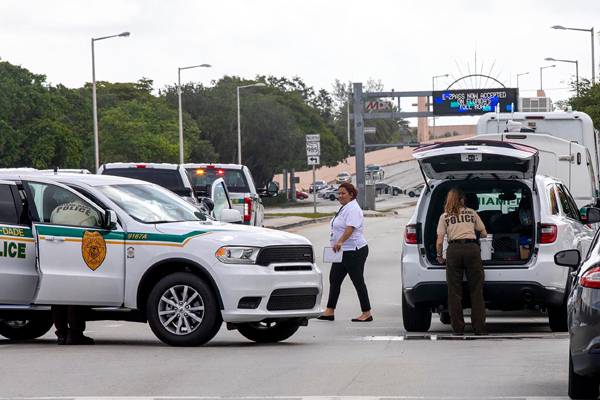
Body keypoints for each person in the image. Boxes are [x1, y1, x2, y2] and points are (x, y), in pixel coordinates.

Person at [48, 188, 99, 345]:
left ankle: (61, 334)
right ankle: (75, 333)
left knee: (58, 295)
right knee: (75, 295)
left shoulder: (57, 210)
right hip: (77, 253)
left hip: (55, 253)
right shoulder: (93, 212)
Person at [436, 188, 488, 336]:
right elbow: (484, 233)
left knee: (454, 291)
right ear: (463, 200)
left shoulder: (444, 216)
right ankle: (479, 328)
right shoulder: (472, 213)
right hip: (472, 249)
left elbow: (440, 241)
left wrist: (440, 256)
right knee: (476, 290)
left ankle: (458, 329)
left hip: (453, 251)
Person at [318, 182, 372, 322]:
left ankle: (366, 313)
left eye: (343, 193)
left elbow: (350, 228)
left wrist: (340, 241)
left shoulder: (353, 209)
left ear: (351, 195)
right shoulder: (345, 208)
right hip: (342, 251)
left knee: (358, 281)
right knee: (334, 279)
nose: (340, 196)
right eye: (339, 193)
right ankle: (330, 311)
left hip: (354, 250)